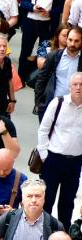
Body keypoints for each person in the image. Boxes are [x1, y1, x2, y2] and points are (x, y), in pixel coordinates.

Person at [35, 71, 82, 226]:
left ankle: (63, 236)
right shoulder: (58, 103)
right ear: (69, 86)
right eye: (75, 84)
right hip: (53, 159)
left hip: (75, 162)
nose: (78, 87)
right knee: (46, 200)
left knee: (67, 203)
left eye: (81, 84)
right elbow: (43, 129)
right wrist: (44, 155)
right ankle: (43, 233)